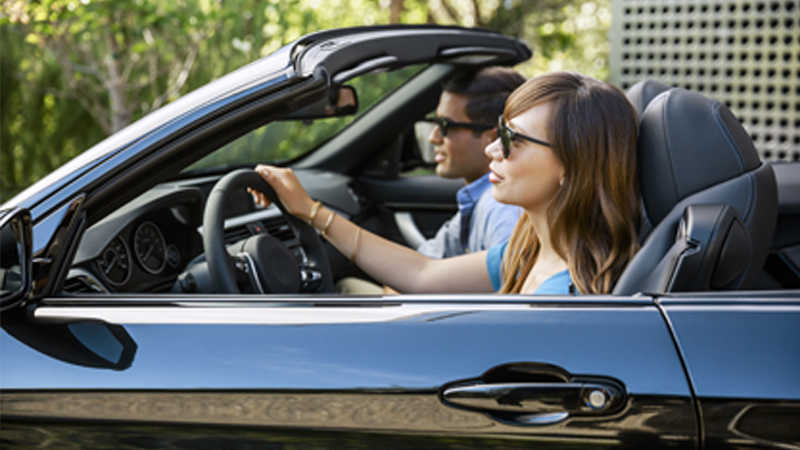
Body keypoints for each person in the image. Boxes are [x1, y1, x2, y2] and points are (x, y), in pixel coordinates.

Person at [251, 72, 641, 295]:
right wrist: (310, 211)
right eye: (497, 133)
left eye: (512, 141)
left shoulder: (566, 296)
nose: (493, 150)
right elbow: (423, 275)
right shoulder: (528, 249)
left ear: (573, 165)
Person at [415, 67, 525, 259]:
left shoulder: (501, 209)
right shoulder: (478, 197)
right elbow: (425, 262)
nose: (433, 137)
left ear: (492, 139)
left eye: (445, 126)